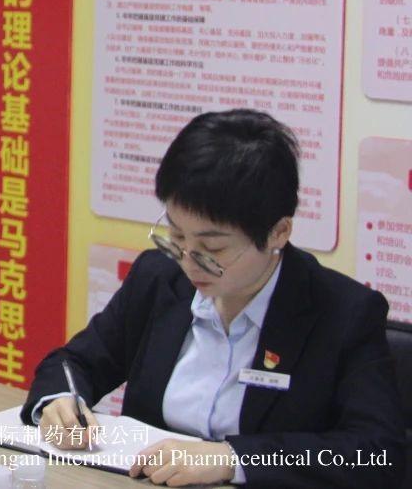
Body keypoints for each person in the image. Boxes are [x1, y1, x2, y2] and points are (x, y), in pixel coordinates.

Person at [23, 109, 405, 487]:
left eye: (213, 249)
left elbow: (377, 452)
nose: (189, 262)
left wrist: (231, 458)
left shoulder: (343, 313)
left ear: (278, 232)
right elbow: (74, 362)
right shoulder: (158, 278)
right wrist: (59, 402)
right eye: (177, 237)